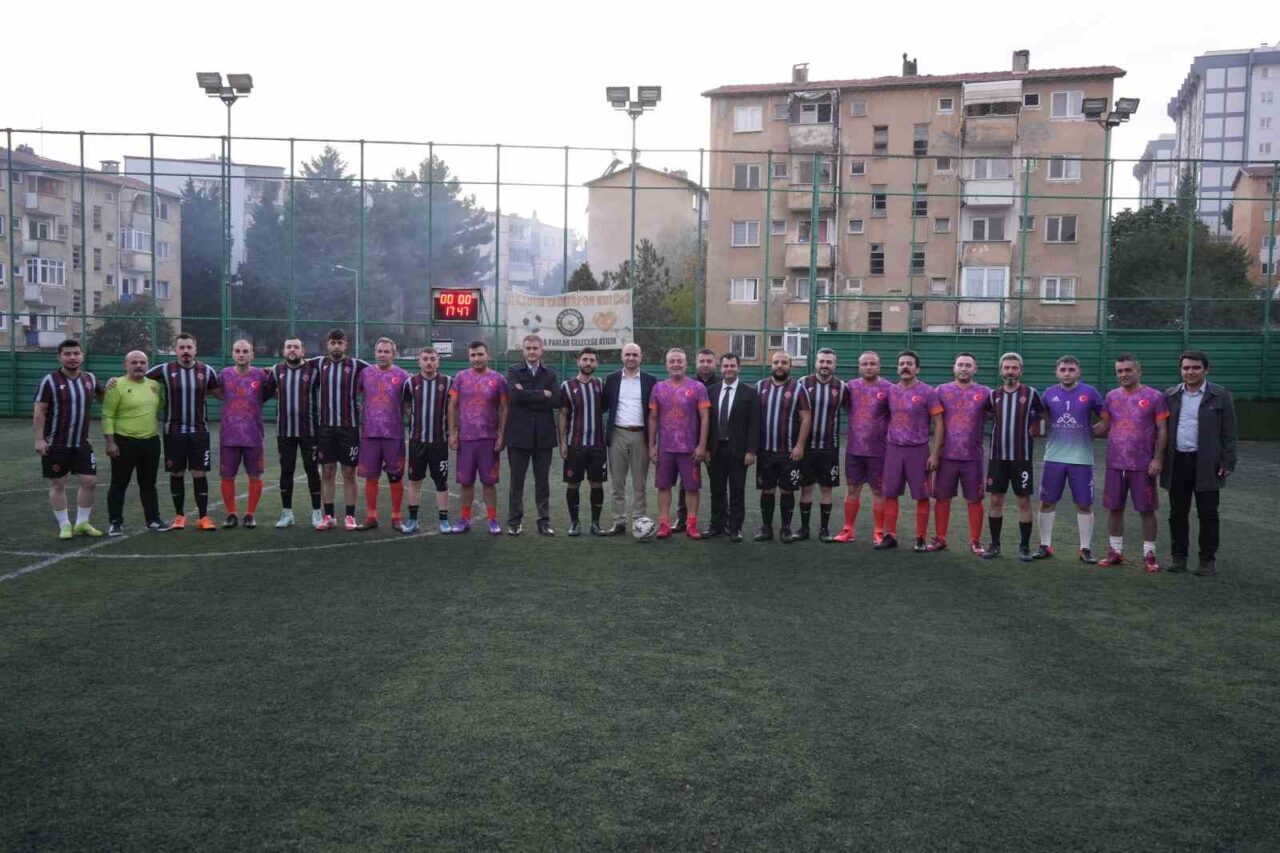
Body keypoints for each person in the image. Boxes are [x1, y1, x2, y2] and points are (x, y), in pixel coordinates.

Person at [1160, 350, 1237, 577]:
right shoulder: (1170, 395)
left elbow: (1230, 432)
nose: (1190, 372)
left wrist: (1228, 461)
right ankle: (1179, 558)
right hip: (1177, 462)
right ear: (1180, 370)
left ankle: (1207, 561)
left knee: (1208, 513)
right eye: (1186, 368)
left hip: (1207, 464)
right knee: (1177, 513)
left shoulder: (1220, 395)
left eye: (1195, 367)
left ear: (1206, 370)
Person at [1096, 353, 1169, 572]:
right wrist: (1076, 431)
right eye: (1119, 371)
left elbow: (1162, 430)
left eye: (1128, 370)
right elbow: (1103, 425)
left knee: (1147, 510)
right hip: (1115, 463)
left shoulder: (1155, 396)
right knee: (1114, 508)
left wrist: (1158, 458)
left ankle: (1149, 555)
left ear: (1139, 371)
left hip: (1143, 464)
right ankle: (1115, 552)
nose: (1123, 374)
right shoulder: (1111, 396)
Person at [145, 333, 221, 531]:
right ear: (175, 350)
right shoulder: (164, 369)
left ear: (195, 349)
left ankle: (203, 517)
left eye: (189, 347)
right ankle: (179, 516)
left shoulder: (207, 370)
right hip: (174, 431)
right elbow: (137, 379)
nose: (186, 351)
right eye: (182, 347)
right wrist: (115, 381)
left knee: (199, 472)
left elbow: (221, 393)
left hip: (199, 430)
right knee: (177, 472)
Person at [1037, 355, 1105, 563]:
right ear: (1056, 372)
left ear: (1078, 372)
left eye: (1071, 369)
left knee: (1084, 504)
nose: (1067, 373)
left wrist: (1091, 432)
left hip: (1081, 458)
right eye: (1063, 370)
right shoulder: (1049, 393)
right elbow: (1043, 416)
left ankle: (1085, 549)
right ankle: (1045, 545)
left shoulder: (1090, 392)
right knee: (1047, 502)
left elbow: (1107, 418)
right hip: (1054, 457)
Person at [33, 339, 104, 539]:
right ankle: (64, 525)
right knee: (58, 483)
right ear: (60, 357)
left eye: (76, 353)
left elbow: (104, 397)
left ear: (82, 356)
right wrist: (39, 439)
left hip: (82, 443)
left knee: (89, 481)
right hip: (56, 443)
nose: (72, 357)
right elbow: (39, 411)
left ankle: (82, 522)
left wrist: (114, 384)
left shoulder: (90, 378)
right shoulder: (49, 380)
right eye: (67, 354)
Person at [980, 353, 1044, 561]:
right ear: (1001, 370)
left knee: (1023, 501)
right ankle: (994, 545)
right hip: (997, 457)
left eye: (1014, 368)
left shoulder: (1031, 393)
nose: (1010, 371)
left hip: (1021, 457)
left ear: (1021, 371)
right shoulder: (993, 395)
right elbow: (983, 416)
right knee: (995, 499)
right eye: (1006, 367)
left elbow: (1042, 415)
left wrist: (1037, 429)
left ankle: (1024, 547)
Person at [877, 350, 943, 552]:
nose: (905, 366)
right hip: (894, 450)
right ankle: (890, 535)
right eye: (902, 363)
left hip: (918, 451)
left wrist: (934, 454)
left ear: (917, 368)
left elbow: (939, 424)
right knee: (890, 493)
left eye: (909, 363)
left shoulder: (928, 392)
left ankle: (920, 538)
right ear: (897, 368)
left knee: (922, 495)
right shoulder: (890, 391)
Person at [647, 348, 711, 539]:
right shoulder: (658, 388)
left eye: (679, 361)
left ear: (686, 364)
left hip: (690, 449)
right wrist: (652, 446)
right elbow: (653, 417)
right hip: (665, 449)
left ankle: (691, 525)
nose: (676, 364)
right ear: (667, 365)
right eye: (672, 361)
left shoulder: (698, 388)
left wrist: (701, 445)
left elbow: (705, 417)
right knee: (663, 486)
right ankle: (664, 524)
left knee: (692, 488)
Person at [930, 353, 990, 554]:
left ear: (975, 369)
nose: (964, 368)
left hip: (972, 457)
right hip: (946, 456)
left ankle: (975, 541)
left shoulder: (985, 393)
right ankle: (940, 538)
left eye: (968, 365)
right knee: (942, 498)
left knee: (974, 500)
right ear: (954, 367)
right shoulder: (941, 391)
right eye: (960, 365)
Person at [102, 350, 166, 535]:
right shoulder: (116, 385)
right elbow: (107, 415)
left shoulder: (155, 385)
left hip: (151, 442)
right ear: (125, 365)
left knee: (148, 484)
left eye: (142, 362)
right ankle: (115, 522)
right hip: (124, 442)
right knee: (119, 484)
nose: (139, 365)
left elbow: (161, 405)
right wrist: (110, 443)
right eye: (134, 362)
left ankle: (153, 520)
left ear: (147, 365)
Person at [448, 340, 509, 535]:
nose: (477, 358)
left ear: (487, 355)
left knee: (489, 482)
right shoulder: (460, 377)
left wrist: (501, 434)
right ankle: (464, 519)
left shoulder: (498, 379)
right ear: (469, 357)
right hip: (466, 438)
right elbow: (452, 406)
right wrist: (453, 432)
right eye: (473, 355)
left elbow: (504, 408)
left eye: (480, 354)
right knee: (466, 482)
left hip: (489, 439)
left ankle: (492, 520)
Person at [833, 351, 893, 543]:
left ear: (879, 366)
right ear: (859, 367)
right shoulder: (850, 387)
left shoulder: (889, 388)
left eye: (872, 364)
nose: (868, 367)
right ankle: (848, 529)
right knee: (852, 489)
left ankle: (879, 531)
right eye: (865, 364)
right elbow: (845, 407)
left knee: (879, 491)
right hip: (854, 450)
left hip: (879, 451)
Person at [312, 329, 369, 531]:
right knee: (327, 471)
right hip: (325, 428)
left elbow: (380, 373)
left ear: (346, 345)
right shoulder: (318, 363)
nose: (336, 346)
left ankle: (350, 516)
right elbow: (294, 364)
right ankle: (328, 516)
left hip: (349, 428)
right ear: (327, 344)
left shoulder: (357, 365)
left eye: (340, 343)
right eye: (333, 342)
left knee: (349, 472)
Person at [753, 350, 812, 543]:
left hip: (789, 451)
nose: (779, 366)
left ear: (790, 366)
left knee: (787, 490)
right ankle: (766, 528)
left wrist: (800, 446)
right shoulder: (760, 386)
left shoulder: (798, 388)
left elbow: (806, 418)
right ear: (771, 365)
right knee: (767, 490)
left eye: (784, 362)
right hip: (765, 451)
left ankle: (786, 529)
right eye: (776, 362)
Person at [505, 334, 559, 536]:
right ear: (523, 350)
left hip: (543, 436)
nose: (532, 352)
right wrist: (542, 394)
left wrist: (527, 394)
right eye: (528, 348)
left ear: (542, 350)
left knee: (542, 482)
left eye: (535, 348)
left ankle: (544, 522)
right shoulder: (514, 371)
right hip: (518, 436)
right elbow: (515, 397)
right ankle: (514, 521)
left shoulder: (550, 373)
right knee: (516, 482)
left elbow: (556, 400)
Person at [601, 342, 657, 536]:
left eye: (635, 355)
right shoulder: (611, 379)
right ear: (622, 357)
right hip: (617, 434)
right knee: (617, 483)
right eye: (628, 354)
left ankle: (640, 520)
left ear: (641, 357)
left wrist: (654, 442)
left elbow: (654, 411)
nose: (631, 358)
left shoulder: (651, 380)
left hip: (641, 435)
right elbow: (603, 405)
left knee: (639, 484)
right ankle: (619, 522)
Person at [267, 338, 323, 529]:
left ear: (303, 351)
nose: (292, 350)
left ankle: (317, 512)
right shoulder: (276, 371)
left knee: (312, 469)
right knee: (286, 470)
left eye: (296, 347)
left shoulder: (313, 370)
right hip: (285, 431)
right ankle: (287, 513)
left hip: (310, 431)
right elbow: (264, 392)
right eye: (289, 347)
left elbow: (330, 389)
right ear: (283, 351)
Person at [703, 352, 759, 542]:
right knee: (716, 490)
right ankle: (716, 525)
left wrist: (751, 450)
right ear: (721, 368)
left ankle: (735, 528)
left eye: (732, 366)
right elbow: (707, 423)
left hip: (739, 451)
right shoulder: (711, 391)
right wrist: (706, 448)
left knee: (737, 491)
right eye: (725, 366)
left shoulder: (749, 392)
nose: (729, 369)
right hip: (715, 449)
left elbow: (754, 424)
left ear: (739, 368)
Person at [356, 337, 410, 530]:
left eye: (386, 351)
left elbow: (410, 403)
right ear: (375, 353)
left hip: (394, 434)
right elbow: (352, 393)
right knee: (371, 477)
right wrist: (356, 406)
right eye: (379, 351)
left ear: (393, 354)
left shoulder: (403, 376)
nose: (382, 355)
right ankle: (371, 516)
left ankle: (396, 517)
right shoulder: (365, 373)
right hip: (369, 434)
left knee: (395, 477)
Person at [217, 339, 271, 529]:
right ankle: (231, 514)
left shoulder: (261, 375)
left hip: (253, 435)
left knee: (255, 475)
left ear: (252, 355)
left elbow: (273, 389)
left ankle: (250, 515)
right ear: (232, 354)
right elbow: (213, 391)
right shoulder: (224, 375)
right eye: (238, 351)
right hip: (229, 435)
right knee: (227, 476)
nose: (241, 354)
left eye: (245, 351)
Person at [401, 346, 453, 535]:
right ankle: (413, 520)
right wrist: (416, 417)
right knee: (414, 481)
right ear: (419, 361)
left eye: (432, 359)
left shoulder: (448, 382)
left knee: (441, 482)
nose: (429, 362)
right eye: (425, 359)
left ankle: (444, 520)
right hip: (417, 442)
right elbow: (406, 405)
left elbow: (454, 407)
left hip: (439, 441)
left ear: (438, 361)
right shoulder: (410, 383)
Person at [797, 348, 847, 542]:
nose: (825, 365)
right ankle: (804, 528)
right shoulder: (802, 383)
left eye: (829, 362)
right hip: (807, 446)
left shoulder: (842, 387)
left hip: (829, 447)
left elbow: (853, 410)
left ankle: (824, 530)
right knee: (806, 488)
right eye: (822, 361)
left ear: (835, 365)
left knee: (826, 489)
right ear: (815, 363)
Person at [558, 347, 608, 537]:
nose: (588, 363)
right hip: (575, 444)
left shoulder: (600, 385)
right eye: (585, 359)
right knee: (573, 484)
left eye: (592, 360)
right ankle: (575, 523)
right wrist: (563, 442)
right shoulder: (567, 386)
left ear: (597, 363)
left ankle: (595, 524)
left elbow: (604, 408)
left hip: (597, 445)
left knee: (597, 484)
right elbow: (563, 414)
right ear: (578, 361)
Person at [676, 347, 720, 532]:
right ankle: (682, 519)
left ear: (715, 363)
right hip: (689, 443)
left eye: (709, 361)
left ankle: (718, 523)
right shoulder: (687, 384)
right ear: (696, 363)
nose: (705, 365)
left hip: (715, 444)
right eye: (702, 361)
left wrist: (707, 446)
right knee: (686, 483)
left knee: (717, 484)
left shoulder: (722, 384)